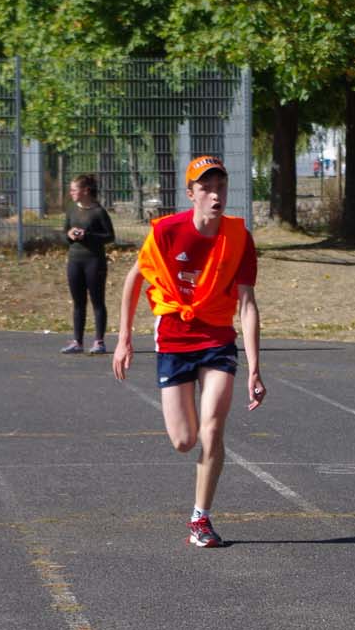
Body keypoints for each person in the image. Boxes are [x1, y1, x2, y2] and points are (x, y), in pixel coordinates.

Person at [112, 154, 265, 547]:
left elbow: (247, 304)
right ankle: (199, 505)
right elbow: (133, 280)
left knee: (213, 430)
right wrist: (124, 338)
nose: (215, 195)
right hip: (174, 339)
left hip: (217, 339)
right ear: (191, 193)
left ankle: (201, 519)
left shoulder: (239, 238)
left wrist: (254, 368)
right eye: (207, 188)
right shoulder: (166, 231)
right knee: (183, 440)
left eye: (221, 187)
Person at [61, 174, 114, 354]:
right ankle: (77, 341)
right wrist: (69, 236)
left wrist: (88, 236)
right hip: (75, 261)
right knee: (78, 302)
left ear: (86, 191)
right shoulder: (71, 209)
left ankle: (99, 341)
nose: (71, 193)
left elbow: (109, 236)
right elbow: (64, 233)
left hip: (94, 261)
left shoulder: (98, 212)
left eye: (74, 190)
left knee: (97, 301)